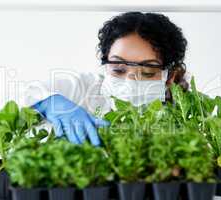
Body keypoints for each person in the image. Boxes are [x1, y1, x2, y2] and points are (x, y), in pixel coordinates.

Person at [29, 12, 189, 146]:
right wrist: (49, 102)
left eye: (147, 72)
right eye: (118, 69)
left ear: (169, 77)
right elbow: (23, 94)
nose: (129, 82)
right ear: (105, 65)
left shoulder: (188, 115)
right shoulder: (84, 87)